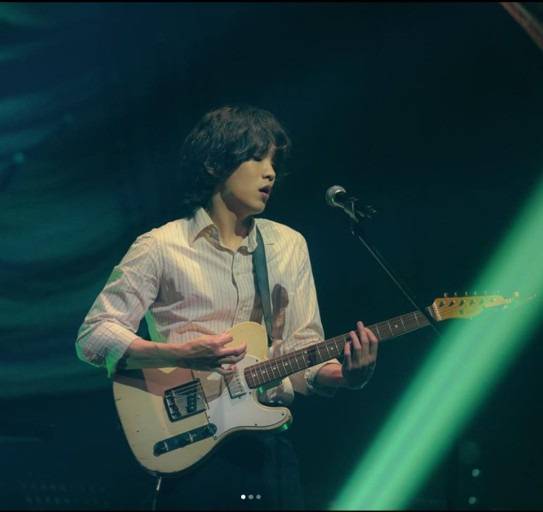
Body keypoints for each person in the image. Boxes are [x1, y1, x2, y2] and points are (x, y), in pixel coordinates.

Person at [75, 104, 379, 510]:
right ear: (214, 164)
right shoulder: (161, 246)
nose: (270, 173)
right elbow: (94, 337)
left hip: (269, 449)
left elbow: (301, 351)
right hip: (191, 449)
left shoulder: (288, 245)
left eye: (274, 162)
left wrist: (346, 376)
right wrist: (179, 354)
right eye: (257, 158)